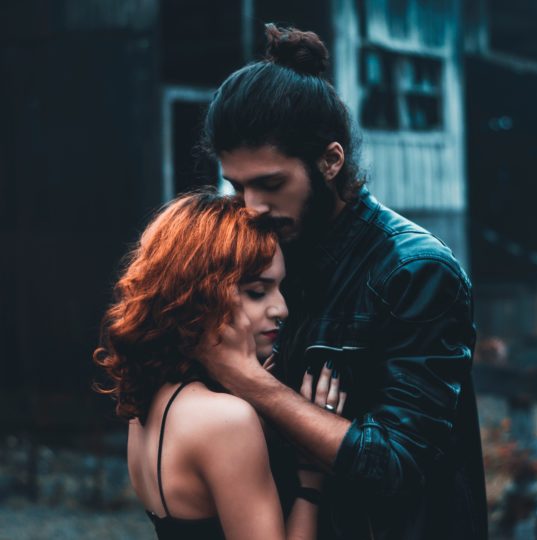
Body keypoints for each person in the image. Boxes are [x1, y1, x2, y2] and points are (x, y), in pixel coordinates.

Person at [198, 24, 489, 539]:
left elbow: (397, 465)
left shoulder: (414, 271)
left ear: (331, 161)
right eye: (238, 186)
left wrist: (249, 382)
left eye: (271, 184)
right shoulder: (263, 256)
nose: (252, 207)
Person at [93, 190, 346, 540]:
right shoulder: (225, 420)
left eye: (280, 288)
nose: (281, 309)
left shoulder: (147, 404)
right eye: (257, 292)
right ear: (201, 295)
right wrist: (311, 480)